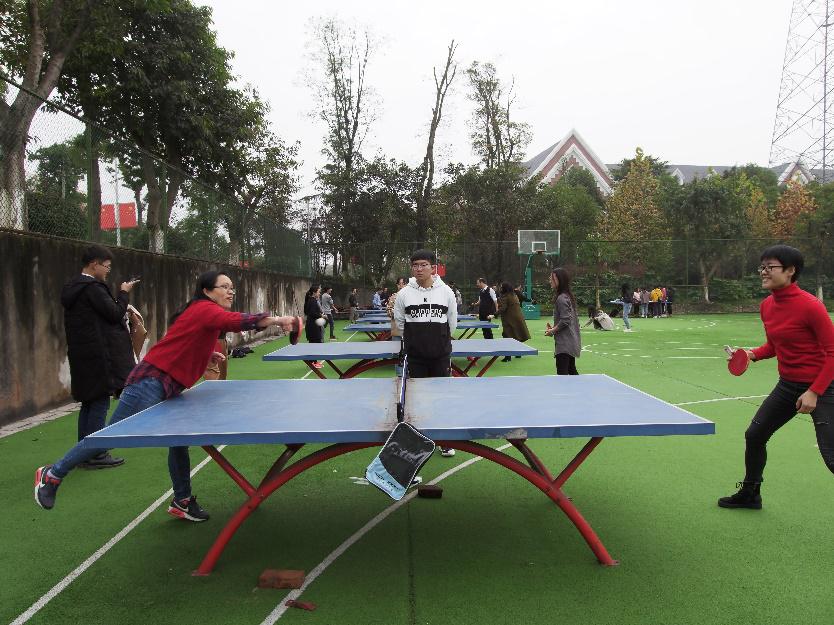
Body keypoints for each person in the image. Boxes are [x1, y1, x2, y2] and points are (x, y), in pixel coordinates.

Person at [35, 270, 296, 520]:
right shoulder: (205, 309)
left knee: (179, 439)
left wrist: (207, 355)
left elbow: (183, 339)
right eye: (224, 287)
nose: (230, 292)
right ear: (207, 291)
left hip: (169, 385)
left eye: (232, 288)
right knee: (109, 437)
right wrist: (276, 320)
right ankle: (52, 474)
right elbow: (236, 321)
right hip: (151, 382)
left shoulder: (202, 312)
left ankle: (182, 501)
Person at [719, 245, 834, 510]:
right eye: (762, 267)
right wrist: (750, 354)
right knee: (755, 435)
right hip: (788, 385)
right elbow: (773, 346)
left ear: (791, 270)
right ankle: (750, 494)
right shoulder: (767, 306)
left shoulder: (811, 306)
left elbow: (832, 352)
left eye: (770, 267)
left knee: (831, 456)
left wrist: (814, 391)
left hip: (823, 386)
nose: (764, 272)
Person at [61, 244, 139, 469]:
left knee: (89, 402)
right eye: (106, 266)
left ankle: (83, 452)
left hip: (81, 353)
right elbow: (114, 314)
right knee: (99, 401)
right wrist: (124, 293)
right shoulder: (92, 288)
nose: (107, 271)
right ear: (94, 264)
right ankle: (95, 453)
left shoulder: (73, 287)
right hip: (97, 354)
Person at [393, 250, 458, 457]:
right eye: (415, 265)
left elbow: (452, 322)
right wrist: (416, 340)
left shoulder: (446, 292)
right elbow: (400, 322)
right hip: (415, 357)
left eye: (423, 265)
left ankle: (445, 441)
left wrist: (439, 341)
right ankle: (420, 441)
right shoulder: (404, 294)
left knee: (442, 398)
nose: (419, 269)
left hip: (441, 356)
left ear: (433, 268)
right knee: (418, 401)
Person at [545, 267, 581, 375]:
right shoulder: (567, 296)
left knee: (563, 374)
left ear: (560, 281)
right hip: (569, 341)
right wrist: (554, 328)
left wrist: (552, 331)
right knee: (571, 371)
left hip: (565, 344)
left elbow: (565, 320)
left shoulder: (561, 298)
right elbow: (567, 319)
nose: (550, 281)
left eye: (553, 278)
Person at [494, 282, 531, 361]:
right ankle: (518, 353)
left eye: (501, 287)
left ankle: (508, 357)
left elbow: (503, 308)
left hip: (510, 319)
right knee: (517, 335)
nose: (500, 288)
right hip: (518, 318)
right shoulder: (514, 295)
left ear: (504, 288)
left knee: (507, 336)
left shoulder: (505, 296)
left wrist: (494, 314)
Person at [304, 285, 325, 368]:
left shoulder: (311, 300)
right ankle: (313, 363)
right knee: (315, 344)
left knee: (314, 343)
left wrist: (319, 315)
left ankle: (313, 362)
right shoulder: (312, 301)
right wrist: (321, 316)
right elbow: (312, 313)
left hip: (313, 325)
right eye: (319, 292)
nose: (319, 293)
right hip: (313, 326)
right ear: (314, 292)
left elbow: (308, 312)